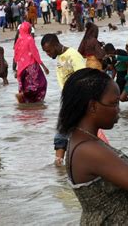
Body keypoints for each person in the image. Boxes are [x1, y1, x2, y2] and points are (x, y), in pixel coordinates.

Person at [59, 68, 128, 225]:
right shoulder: (88, 149)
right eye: (114, 103)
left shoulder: (81, 140)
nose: (118, 110)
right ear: (92, 106)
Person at [41, 33, 85, 166]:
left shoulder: (73, 55)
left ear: (55, 45)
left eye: (48, 51)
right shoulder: (60, 57)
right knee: (63, 131)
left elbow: (83, 77)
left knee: (64, 131)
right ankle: (60, 162)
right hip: (68, 100)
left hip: (77, 99)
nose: (47, 54)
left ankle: (61, 163)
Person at [13, 22, 48, 103]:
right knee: (41, 84)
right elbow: (35, 53)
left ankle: (25, 100)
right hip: (31, 66)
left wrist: (17, 70)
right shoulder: (30, 39)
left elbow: (16, 56)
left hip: (22, 68)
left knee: (26, 85)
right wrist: (43, 66)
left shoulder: (19, 40)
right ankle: (36, 101)